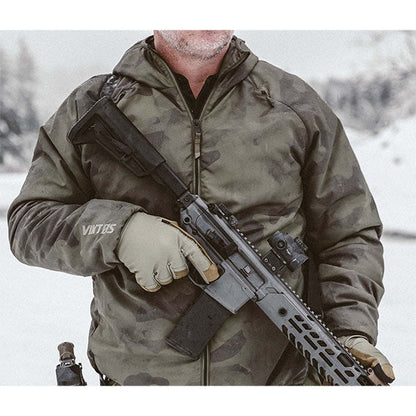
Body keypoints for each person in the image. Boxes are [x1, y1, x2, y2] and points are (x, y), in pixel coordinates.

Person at [8, 30, 395, 386]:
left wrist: (350, 332)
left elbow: (349, 234)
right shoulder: (93, 104)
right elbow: (29, 222)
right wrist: (119, 231)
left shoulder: (294, 106)